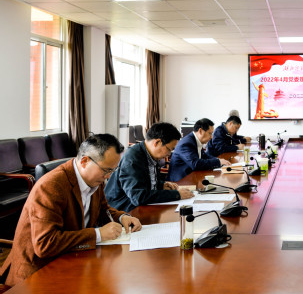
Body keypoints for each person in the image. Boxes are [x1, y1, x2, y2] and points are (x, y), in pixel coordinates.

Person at [0, 134, 142, 286]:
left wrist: (121, 217)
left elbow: (102, 209)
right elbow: (45, 245)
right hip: (38, 273)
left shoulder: (95, 178)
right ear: (85, 161)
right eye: (106, 170)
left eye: (112, 171)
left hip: (73, 258)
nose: (108, 177)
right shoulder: (51, 186)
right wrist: (98, 234)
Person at [105, 122, 193, 212]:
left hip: (139, 206)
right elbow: (138, 197)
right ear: (157, 142)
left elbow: (144, 181)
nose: (169, 154)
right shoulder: (133, 159)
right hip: (123, 210)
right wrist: (176, 195)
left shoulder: (151, 155)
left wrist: (160, 185)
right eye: (169, 149)